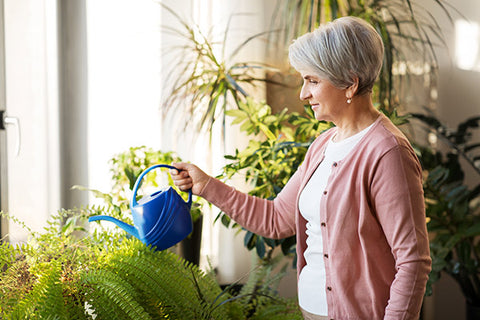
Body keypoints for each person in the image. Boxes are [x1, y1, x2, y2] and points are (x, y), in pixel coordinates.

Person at [171, 16, 431, 320]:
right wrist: (206, 187)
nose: (303, 94)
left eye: (313, 81)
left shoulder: (387, 152)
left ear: (350, 82)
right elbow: (276, 218)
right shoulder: (322, 146)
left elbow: (413, 261)